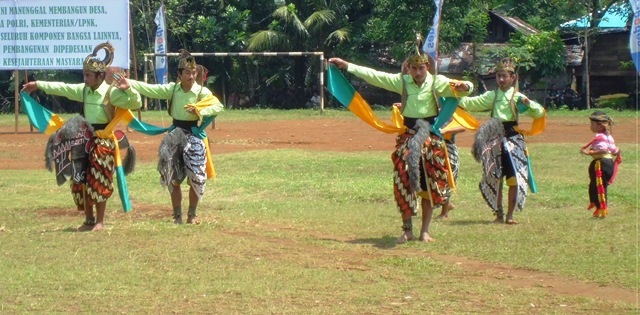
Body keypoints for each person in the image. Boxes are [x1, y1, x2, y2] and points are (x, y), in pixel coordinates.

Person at [328, 40, 473, 244]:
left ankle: (424, 231)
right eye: (414, 68)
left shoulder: (437, 82)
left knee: (429, 184)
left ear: (427, 67)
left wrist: (465, 85)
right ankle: (407, 230)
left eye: (421, 68)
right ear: (409, 68)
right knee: (403, 180)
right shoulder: (402, 82)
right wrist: (347, 66)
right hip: (408, 136)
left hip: (430, 138)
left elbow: (465, 89)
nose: (418, 72)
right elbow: (375, 76)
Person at [21, 42, 142, 231]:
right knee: (81, 177)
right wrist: (38, 85)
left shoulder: (112, 93)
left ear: (100, 76)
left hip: (103, 141)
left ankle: (100, 221)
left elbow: (136, 102)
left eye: (88, 75)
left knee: (100, 178)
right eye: (84, 74)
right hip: (85, 139)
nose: (85, 78)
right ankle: (89, 219)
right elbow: (62, 88)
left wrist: (128, 88)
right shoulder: (84, 91)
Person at [127, 49, 223, 224]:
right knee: (172, 175)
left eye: (194, 72)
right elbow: (149, 89)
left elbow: (217, 106)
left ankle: (192, 215)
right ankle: (177, 215)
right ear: (179, 74)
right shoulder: (172, 90)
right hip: (174, 134)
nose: (192, 76)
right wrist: (129, 83)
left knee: (196, 177)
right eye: (187, 72)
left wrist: (200, 109)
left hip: (194, 136)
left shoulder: (201, 92)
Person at [459, 57, 545, 225]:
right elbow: (469, 103)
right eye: (498, 76)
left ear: (513, 78)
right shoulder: (492, 96)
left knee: (515, 178)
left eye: (505, 76)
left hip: (513, 140)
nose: (501, 79)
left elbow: (539, 112)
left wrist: (529, 104)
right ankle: (498, 214)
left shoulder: (519, 97)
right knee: (494, 177)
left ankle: (510, 216)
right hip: (494, 140)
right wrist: (454, 95)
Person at [580, 111, 621, 218]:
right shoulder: (608, 137)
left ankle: (601, 210)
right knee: (599, 186)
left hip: (601, 163)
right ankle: (600, 209)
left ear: (599, 126)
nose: (590, 126)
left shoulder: (600, 136)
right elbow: (614, 151)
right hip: (608, 163)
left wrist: (589, 152)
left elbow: (603, 150)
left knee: (599, 187)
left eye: (592, 124)